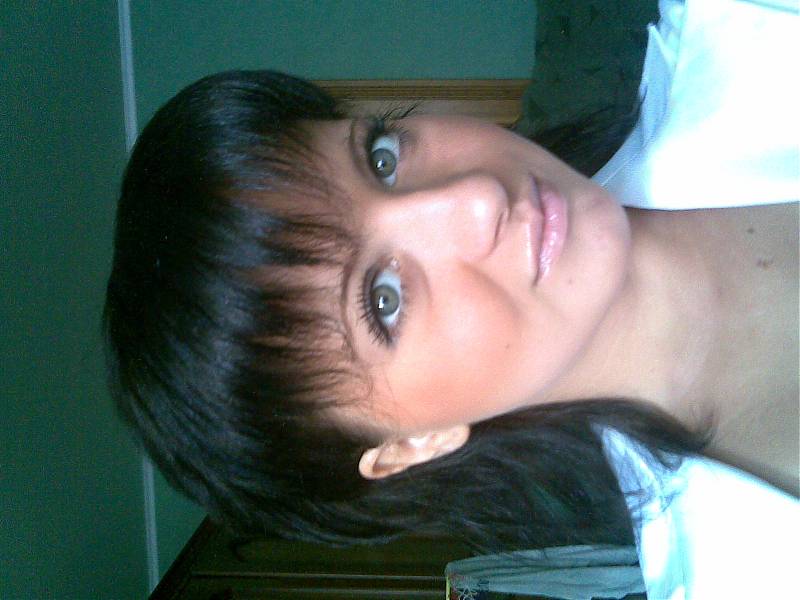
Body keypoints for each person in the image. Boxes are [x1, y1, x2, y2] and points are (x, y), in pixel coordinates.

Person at [102, 0, 798, 590]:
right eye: (383, 302)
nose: (474, 198)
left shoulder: (750, 22)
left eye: (381, 158)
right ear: (410, 445)